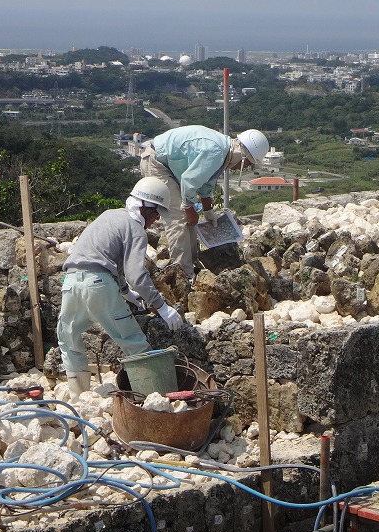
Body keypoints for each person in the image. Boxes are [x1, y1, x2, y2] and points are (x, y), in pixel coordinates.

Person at [57, 177, 184, 395]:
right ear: (145, 207)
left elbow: (103, 256)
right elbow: (136, 274)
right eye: (156, 213)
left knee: (68, 338)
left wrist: (125, 292)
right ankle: (151, 396)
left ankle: (79, 398)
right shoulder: (136, 229)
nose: (156, 219)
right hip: (98, 285)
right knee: (132, 340)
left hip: (70, 283)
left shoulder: (109, 216)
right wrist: (162, 307)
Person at [140, 126, 269, 278]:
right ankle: (183, 274)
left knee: (190, 218)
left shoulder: (223, 151)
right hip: (156, 162)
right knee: (179, 218)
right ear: (243, 157)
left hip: (166, 164)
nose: (245, 167)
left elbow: (205, 182)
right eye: (247, 164)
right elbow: (189, 181)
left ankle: (191, 263)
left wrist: (208, 211)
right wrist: (189, 208)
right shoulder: (216, 152)